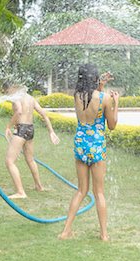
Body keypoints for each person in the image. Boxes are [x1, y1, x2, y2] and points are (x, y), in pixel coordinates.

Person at [59, 64, 119, 241]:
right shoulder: (105, 98)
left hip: (80, 144)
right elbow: (112, 125)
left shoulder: (77, 96)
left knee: (81, 190)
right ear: (94, 78)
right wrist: (117, 103)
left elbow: (90, 97)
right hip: (96, 146)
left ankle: (66, 231)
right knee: (99, 192)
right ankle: (104, 234)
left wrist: (99, 84)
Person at [3, 81, 60, 199]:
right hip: (30, 129)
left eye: (7, 91)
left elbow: (18, 111)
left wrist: (8, 126)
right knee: (30, 160)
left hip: (22, 130)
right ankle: (39, 186)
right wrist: (51, 131)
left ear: (12, 88)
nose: (7, 94)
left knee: (9, 161)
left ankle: (20, 192)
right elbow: (44, 114)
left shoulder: (16, 97)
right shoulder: (30, 98)